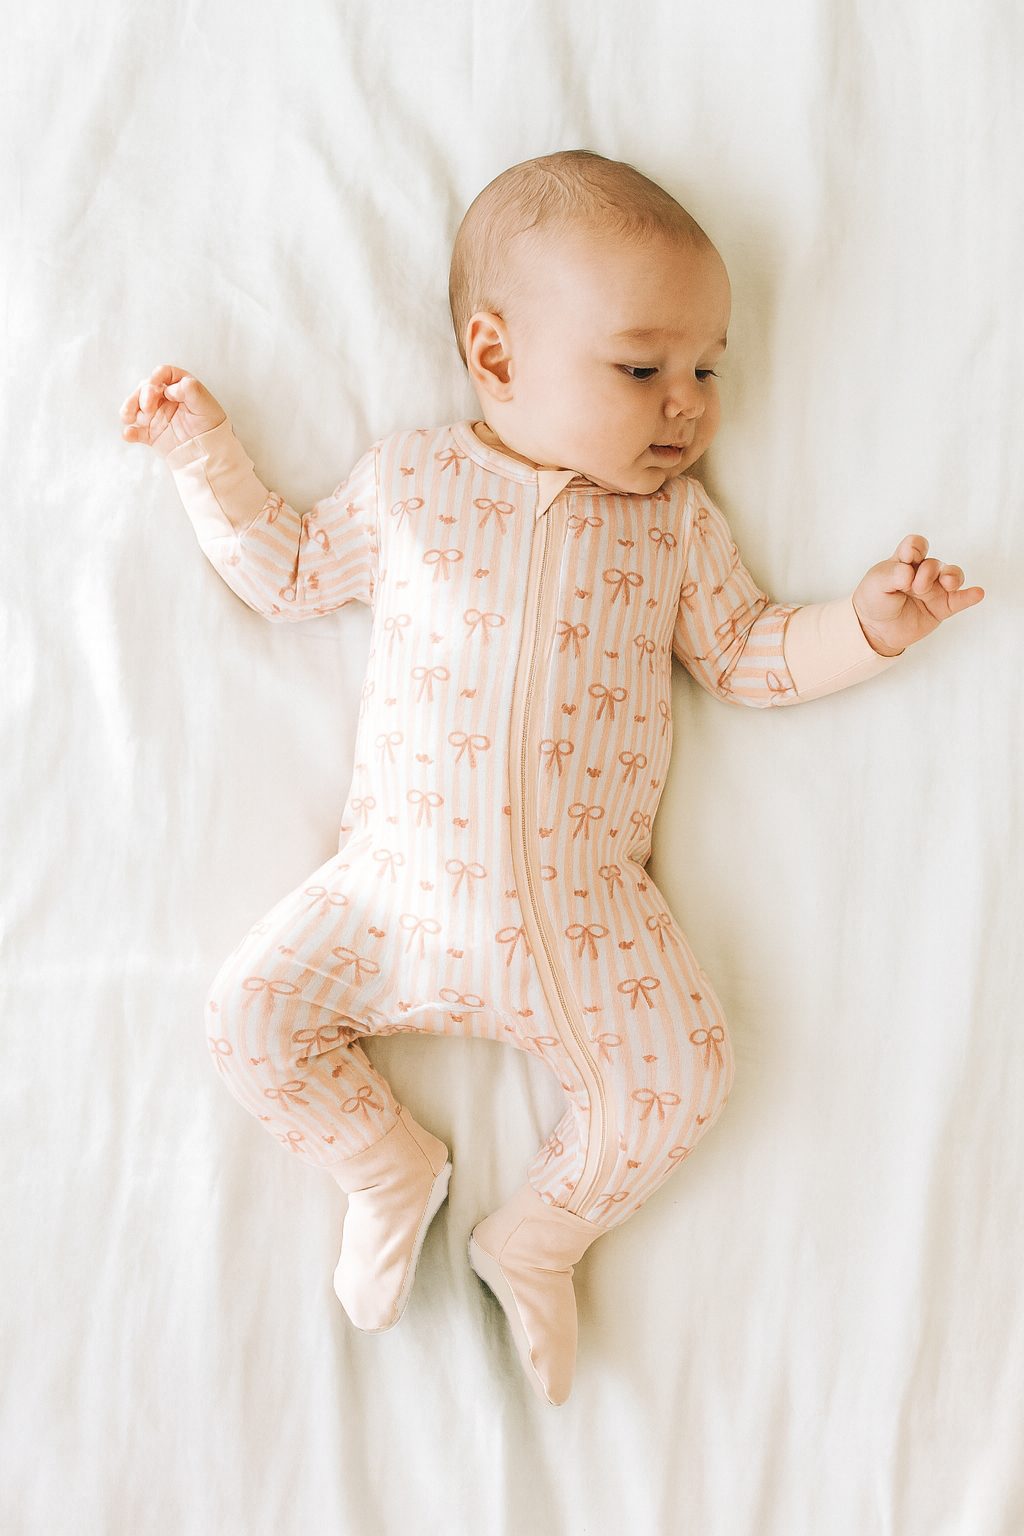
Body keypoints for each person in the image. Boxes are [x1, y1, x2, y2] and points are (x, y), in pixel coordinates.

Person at [119, 151, 983, 1406]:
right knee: (245, 1018)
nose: (685, 404)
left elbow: (742, 655)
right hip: (386, 895)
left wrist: (865, 625)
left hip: (583, 918)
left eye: (706, 369)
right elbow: (289, 571)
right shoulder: (414, 483)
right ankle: (384, 1165)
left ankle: (540, 1233)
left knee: (682, 1079)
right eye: (641, 368)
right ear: (497, 354)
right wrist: (203, 455)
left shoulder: (671, 526)